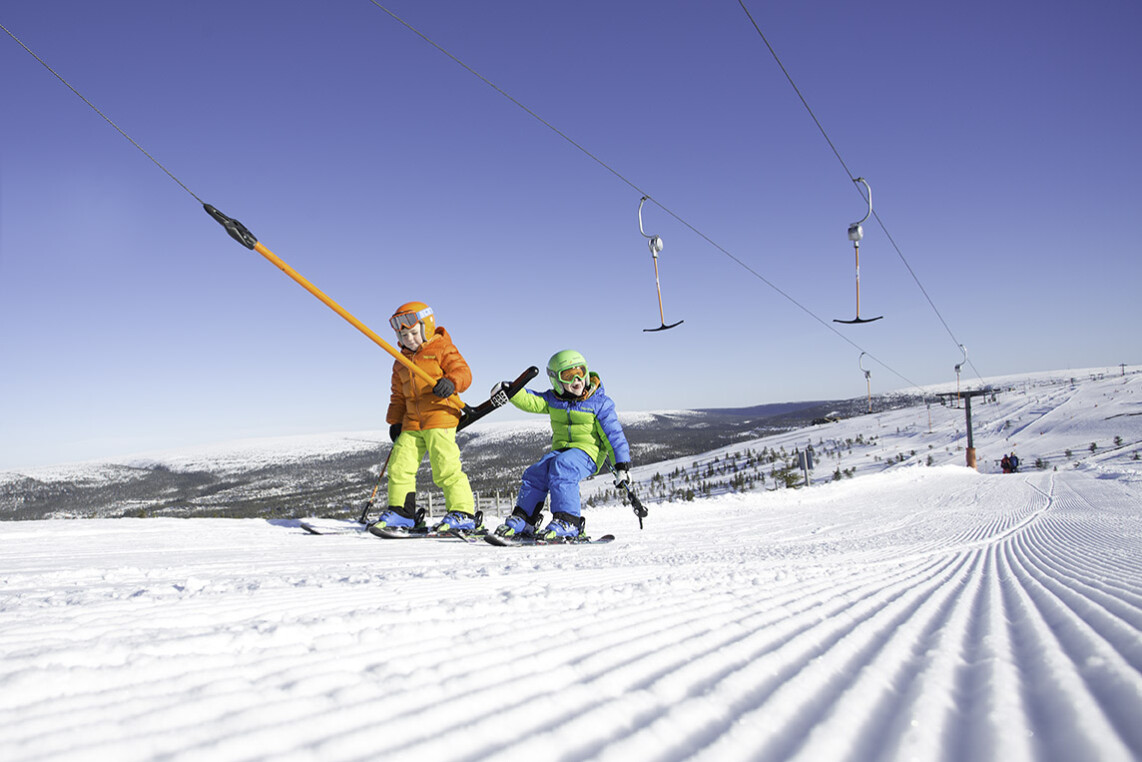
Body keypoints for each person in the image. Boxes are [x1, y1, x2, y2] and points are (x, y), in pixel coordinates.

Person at [492, 349, 632, 541]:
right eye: (568, 375)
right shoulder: (554, 400)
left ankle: (569, 522)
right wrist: (512, 391)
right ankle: (525, 519)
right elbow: (532, 400)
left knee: (563, 467)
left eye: (580, 372)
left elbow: (613, 435)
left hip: (588, 454)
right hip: (561, 452)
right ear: (556, 381)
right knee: (536, 472)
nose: (576, 379)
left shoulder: (599, 403)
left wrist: (621, 465)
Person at [374, 301, 480, 533]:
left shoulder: (442, 348)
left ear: (426, 327)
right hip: (412, 422)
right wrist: (395, 421)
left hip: (440, 417)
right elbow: (397, 396)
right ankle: (403, 512)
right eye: (403, 334)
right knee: (400, 465)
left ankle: (462, 512)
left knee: (445, 466)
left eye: (413, 332)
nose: (409, 339)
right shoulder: (399, 361)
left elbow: (464, 373)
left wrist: (450, 383)